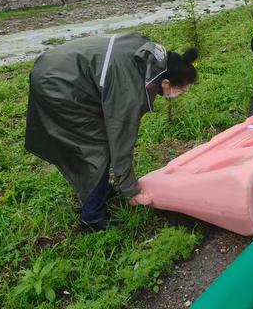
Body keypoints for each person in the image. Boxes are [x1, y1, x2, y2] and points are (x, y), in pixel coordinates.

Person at [25, 33, 198, 232]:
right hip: (59, 84)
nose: (179, 95)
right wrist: (131, 190)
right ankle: (92, 217)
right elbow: (121, 140)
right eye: (181, 90)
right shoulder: (131, 89)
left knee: (100, 140)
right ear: (166, 83)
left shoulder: (150, 57)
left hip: (60, 67)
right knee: (97, 149)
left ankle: (102, 190)